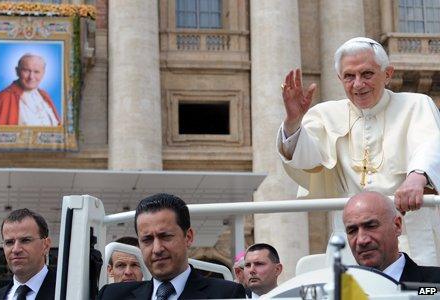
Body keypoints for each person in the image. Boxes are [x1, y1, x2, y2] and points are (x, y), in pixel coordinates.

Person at [277, 36, 440, 265]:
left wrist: (417, 177)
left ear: (388, 74)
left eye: (367, 74)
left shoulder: (417, 105)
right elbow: (305, 159)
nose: (358, 84)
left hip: (408, 234)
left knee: (420, 296)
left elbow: (430, 144)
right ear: (339, 79)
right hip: (352, 240)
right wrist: (293, 122)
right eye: (349, 76)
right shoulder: (324, 115)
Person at [98, 193, 246, 299]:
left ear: (188, 237)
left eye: (166, 236)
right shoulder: (112, 295)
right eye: (147, 239)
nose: (157, 249)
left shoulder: (226, 294)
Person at [343, 191, 440, 283]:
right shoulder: (338, 291)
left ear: (397, 226)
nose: (361, 240)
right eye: (352, 231)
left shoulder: (435, 284)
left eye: (371, 226)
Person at [0, 208, 55, 300]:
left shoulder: (69, 290)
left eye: (25, 240)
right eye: (9, 242)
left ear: (45, 245)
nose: (16, 249)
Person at [0, 53, 60, 126]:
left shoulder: (44, 95)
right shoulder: (4, 98)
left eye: (36, 72)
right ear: (17, 71)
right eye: (26, 71)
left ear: (43, 73)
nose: (31, 77)